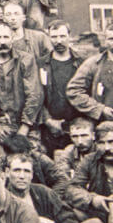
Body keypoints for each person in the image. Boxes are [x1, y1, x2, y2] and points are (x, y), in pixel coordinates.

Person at [65, 121, 113, 223]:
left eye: (112, 142)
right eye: (101, 143)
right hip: (100, 215)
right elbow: (72, 189)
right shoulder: (89, 161)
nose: (107, 148)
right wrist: (93, 199)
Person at [0, 22, 42, 152]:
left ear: (12, 38)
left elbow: (35, 94)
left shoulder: (26, 60)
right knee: (1, 163)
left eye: (6, 37)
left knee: (28, 161)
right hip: (1, 126)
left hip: (26, 123)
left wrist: (25, 127)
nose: (2, 42)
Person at [37, 20, 84, 154]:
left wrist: (81, 122)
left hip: (78, 127)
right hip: (50, 128)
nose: (59, 41)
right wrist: (48, 120)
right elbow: (36, 95)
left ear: (70, 36)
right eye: (54, 37)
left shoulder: (82, 62)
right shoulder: (41, 63)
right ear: (49, 38)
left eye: (62, 36)